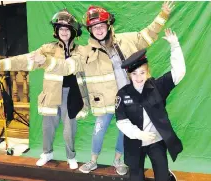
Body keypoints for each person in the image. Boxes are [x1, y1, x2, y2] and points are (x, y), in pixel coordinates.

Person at [67, 2, 175, 175]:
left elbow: (148, 35)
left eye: (101, 25)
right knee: (99, 131)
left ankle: (118, 160)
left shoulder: (126, 40)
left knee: (123, 132)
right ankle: (93, 160)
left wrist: (163, 15)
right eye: (94, 27)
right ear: (90, 30)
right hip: (104, 100)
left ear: (108, 26)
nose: (99, 30)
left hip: (128, 99)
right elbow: (69, 65)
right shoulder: (85, 51)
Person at [0, 9, 89, 169]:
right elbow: (26, 60)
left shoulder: (80, 51)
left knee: (69, 130)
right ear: (56, 31)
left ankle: (71, 156)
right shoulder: (47, 49)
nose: (64, 32)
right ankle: (47, 153)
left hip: (72, 96)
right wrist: (1, 64)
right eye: (61, 29)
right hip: (51, 94)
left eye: (67, 29)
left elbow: (67, 67)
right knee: (47, 128)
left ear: (72, 31)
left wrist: (46, 61)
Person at [115, 28, 185, 181]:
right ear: (129, 75)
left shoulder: (157, 86)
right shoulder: (123, 94)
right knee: (135, 178)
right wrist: (138, 134)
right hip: (134, 142)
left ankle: (166, 174)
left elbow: (178, 72)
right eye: (134, 74)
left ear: (147, 71)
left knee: (162, 178)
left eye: (142, 72)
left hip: (156, 140)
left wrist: (175, 46)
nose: (138, 77)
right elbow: (121, 121)